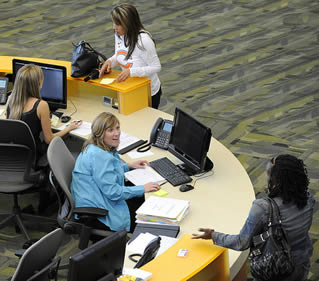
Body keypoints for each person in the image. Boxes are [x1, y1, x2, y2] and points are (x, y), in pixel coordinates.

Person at [192, 154, 315, 281]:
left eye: (268, 174)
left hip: (276, 269)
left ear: (275, 180)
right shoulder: (308, 198)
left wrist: (213, 235)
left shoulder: (263, 207)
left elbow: (242, 243)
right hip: (302, 264)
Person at [71, 112, 160, 233]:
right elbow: (113, 192)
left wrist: (128, 166)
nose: (117, 133)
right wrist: (143, 188)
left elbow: (106, 173)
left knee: (141, 198)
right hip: (98, 210)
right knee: (147, 215)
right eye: (110, 130)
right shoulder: (99, 156)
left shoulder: (95, 146)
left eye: (117, 128)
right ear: (100, 133)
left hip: (96, 194)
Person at [6, 64, 82, 161]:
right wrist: (68, 128)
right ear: (38, 83)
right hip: (34, 155)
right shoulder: (41, 105)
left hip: (12, 153)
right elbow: (49, 139)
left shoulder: (10, 99)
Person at [99, 3, 162, 109]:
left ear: (128, 24)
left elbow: (156, 67)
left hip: (148, 93)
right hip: (130, 88)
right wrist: (110, 62)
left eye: (117, 24)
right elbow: (121, 54)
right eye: (114, 23)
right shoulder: (119, 34)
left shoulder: (143, 41)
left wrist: (131, 72)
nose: (113, 27)